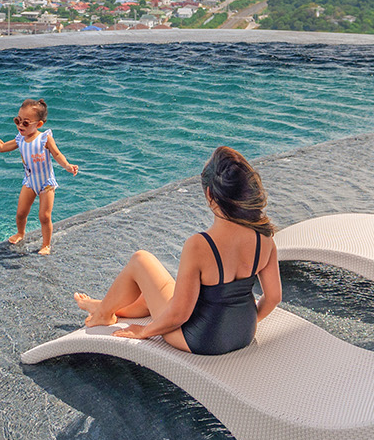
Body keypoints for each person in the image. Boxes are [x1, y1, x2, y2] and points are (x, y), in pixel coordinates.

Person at [72, 145, 281, 355]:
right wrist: (246, 323)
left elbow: (180, 314)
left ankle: (103, 314)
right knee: (150, 297)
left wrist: (144, 331)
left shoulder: (200, 245)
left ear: (210, 195)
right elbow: (273, 298)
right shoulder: (265, 237)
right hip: (244, 333)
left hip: (201, 339)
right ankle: (105, 306)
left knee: (140, 260)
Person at [0, 98, 78, 255]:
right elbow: (1, 147)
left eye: (25, 123)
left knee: (44, 216)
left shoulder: (44, 138)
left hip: (46, 183)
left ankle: (46, 244)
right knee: (21, 213)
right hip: (30, 181)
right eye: (17, 120)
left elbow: (57, 154)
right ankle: (20, 233)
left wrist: (67, 166)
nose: (20, 125)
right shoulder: (20, 139)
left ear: (39, 124)